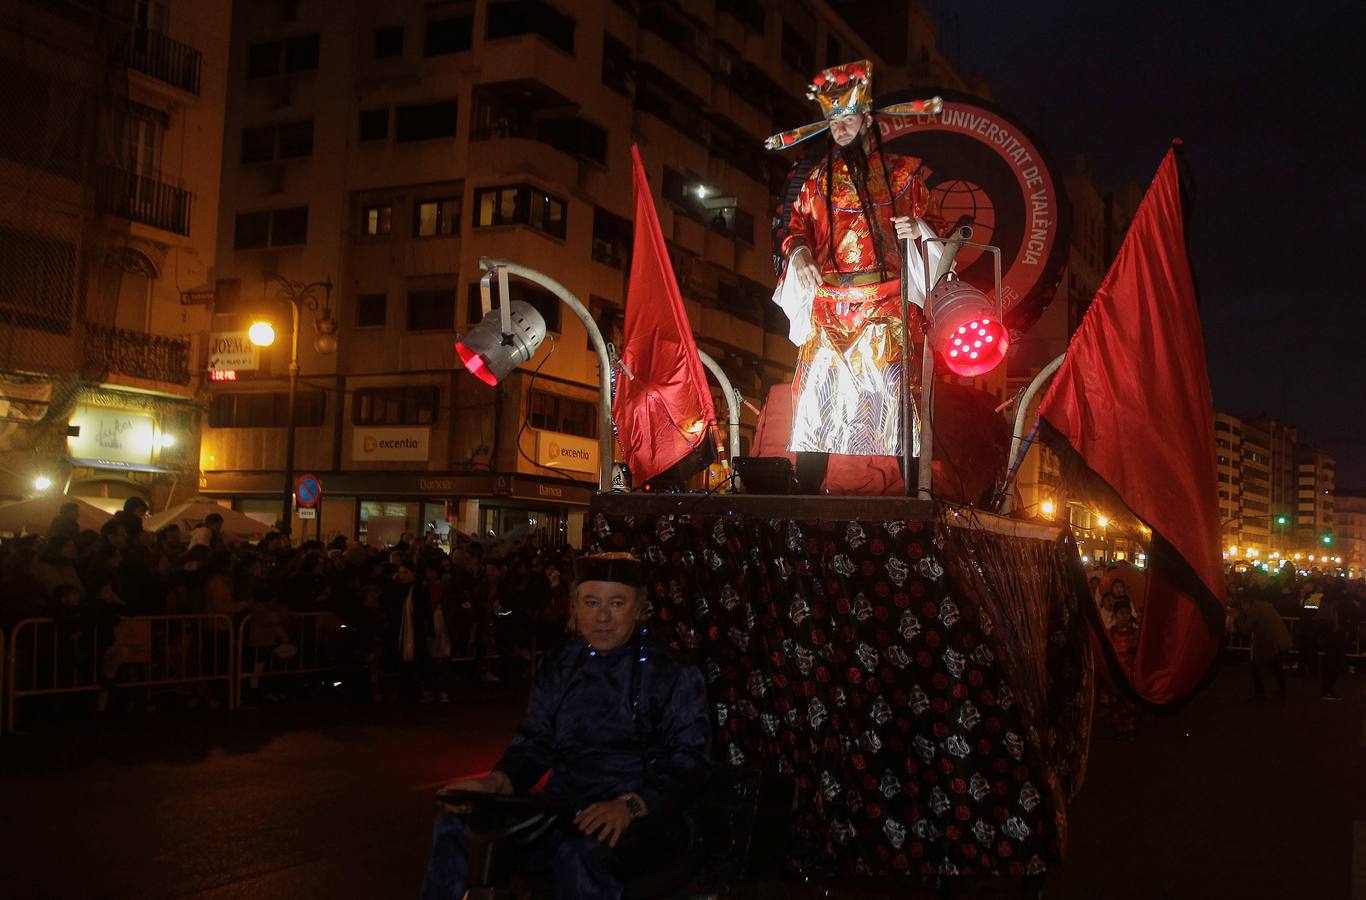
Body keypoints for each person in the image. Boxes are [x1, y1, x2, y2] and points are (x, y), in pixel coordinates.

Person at [420, 552, 710, 900]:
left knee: (580, 855)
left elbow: (690, 762)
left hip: (646, 816)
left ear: (639, 608)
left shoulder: (672, 672)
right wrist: (496, 783)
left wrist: (630, 805)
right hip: (563, 807)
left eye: (616, 603)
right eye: (591, 602)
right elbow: (534, 743)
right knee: (457, 824)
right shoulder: (560, 664)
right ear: (575, 607)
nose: (603, 616)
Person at [767, 59, 944, 491]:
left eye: (847, 118)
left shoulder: (905, 175)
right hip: (830, 306)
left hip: (886, 304)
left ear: (866, 119)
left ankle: (911, 500)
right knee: (813, 407)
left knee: (897, 405)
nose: (841, 128)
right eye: (833, 121)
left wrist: (917, 229)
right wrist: (802, 252)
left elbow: (938, 229)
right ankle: (805, 500)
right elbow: (793, 228)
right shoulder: (818, 181)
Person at [1235, 592, 1291, 699]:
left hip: (1268, 641)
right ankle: (1282, 689)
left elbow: (1245, 630)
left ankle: (1260, 691)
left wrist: (1239, 618)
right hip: (1280, 638)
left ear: (1246, 604)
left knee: (1256, 665)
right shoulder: (1264, 606)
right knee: (1277, 665)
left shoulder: (1254, 611)